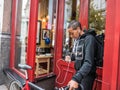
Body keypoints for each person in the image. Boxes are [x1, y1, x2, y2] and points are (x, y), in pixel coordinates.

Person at [65, 20, 97, 90]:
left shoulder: (89, 39)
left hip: (87, 75)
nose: (71, 36)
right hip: (79, 73)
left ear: (78, 29)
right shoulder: (78, 40)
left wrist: (76, 79)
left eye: (72, 33)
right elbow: (79, 55)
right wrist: (71, 57)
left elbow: (88, 62)